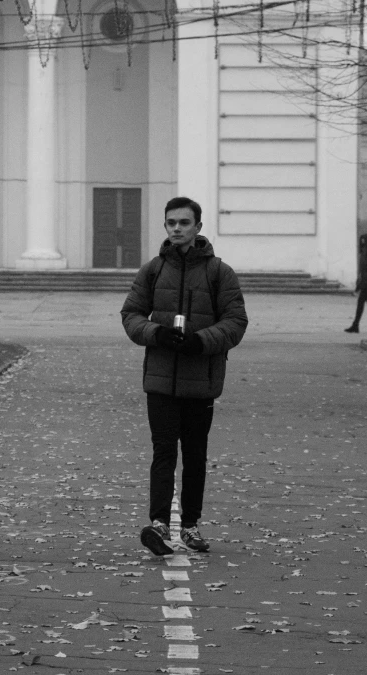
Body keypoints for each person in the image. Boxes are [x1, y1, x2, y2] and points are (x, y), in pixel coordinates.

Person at [120, 197, 248, 555]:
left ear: (198, 227)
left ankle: (190, 526)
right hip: (160, 380)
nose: (176, 228)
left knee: (194, 455)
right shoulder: (152, 271)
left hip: (200, 381)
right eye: (171, 222)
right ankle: (159, 525)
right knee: (163, 452)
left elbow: (236, 322)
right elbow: (131, 315)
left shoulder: (219, 273)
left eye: (184, 222)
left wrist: (200, 341)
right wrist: (155, 333)